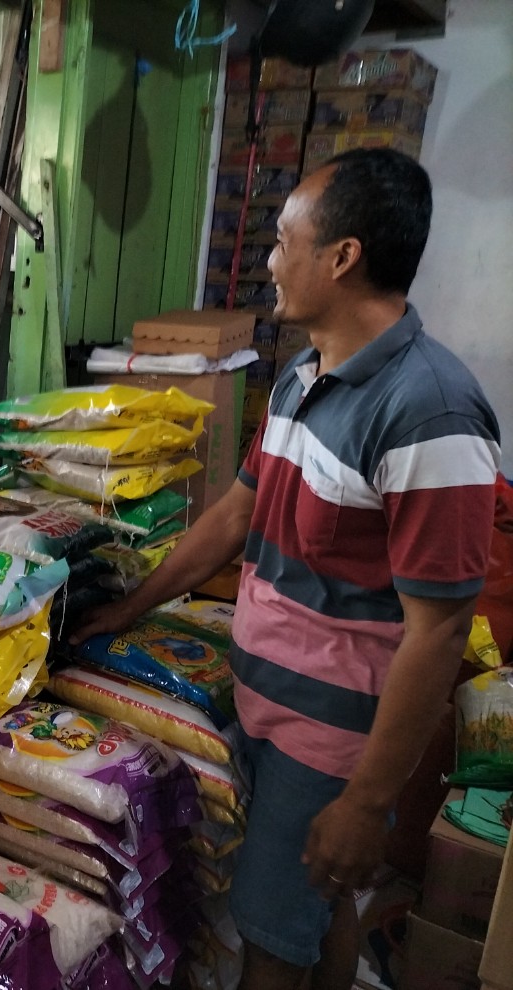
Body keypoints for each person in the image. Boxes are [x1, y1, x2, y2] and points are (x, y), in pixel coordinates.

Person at [73, 149, 500, 990]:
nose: (269, 260)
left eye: (282, 239)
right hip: (268, 705)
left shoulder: (429, 411)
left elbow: (442, 628)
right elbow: (235, 514)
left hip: (333, 740)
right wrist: (131, 608)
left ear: (341, 257)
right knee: (314, 907)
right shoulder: (305, 377)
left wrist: (367, 803)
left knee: (271, 940)